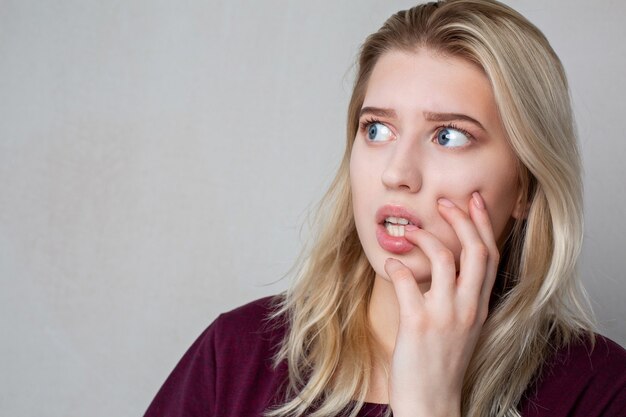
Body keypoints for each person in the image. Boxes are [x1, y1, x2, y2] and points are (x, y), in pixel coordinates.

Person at [144, 1, 626, 416]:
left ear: (525, 186)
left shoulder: (602, 391)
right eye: (377, 129)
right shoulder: (235, 355)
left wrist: (429, 405)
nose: (397, 172)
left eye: (448, 136)